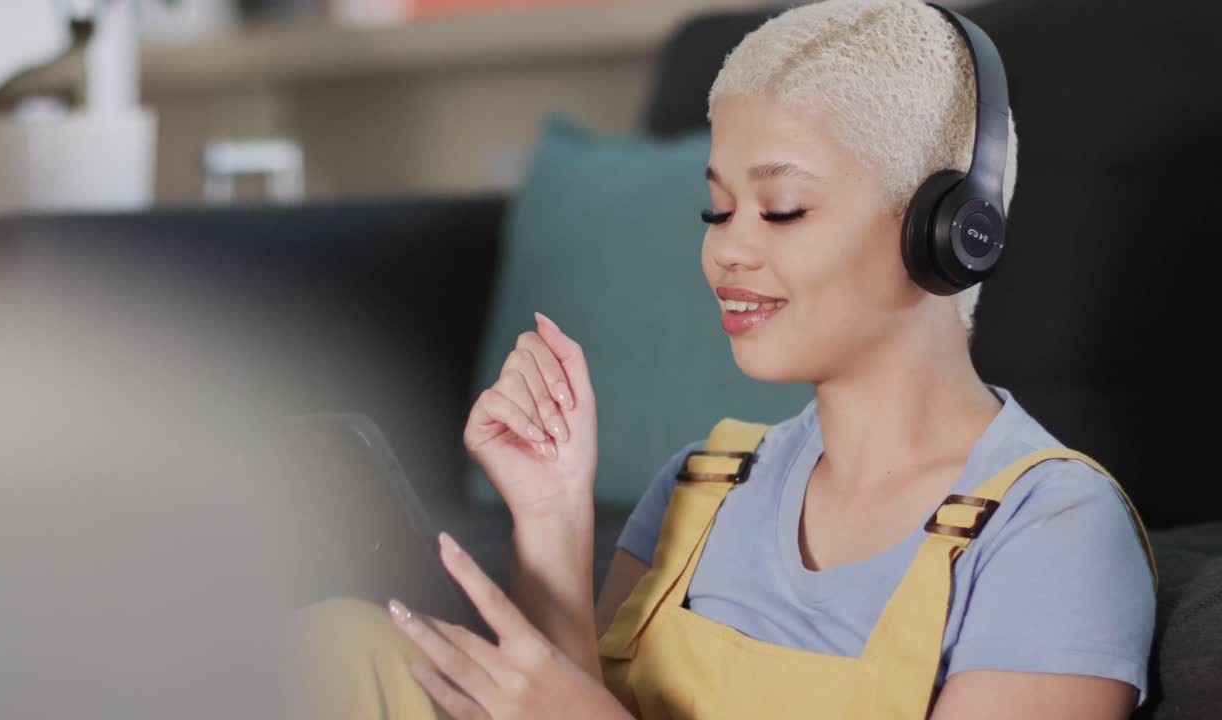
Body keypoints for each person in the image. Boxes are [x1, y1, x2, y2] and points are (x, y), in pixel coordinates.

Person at [296, 1, 1157, 718]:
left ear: (950, 232)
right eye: (718, 211)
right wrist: (552, 518)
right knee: (344, 641)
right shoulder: (700, 488)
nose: (726, 251)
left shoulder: (1052, 530)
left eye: (781, 209)